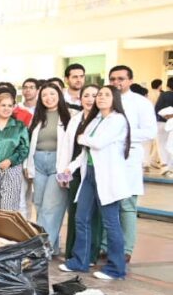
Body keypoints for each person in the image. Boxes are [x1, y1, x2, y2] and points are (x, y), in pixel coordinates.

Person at [59, 85, 132, 280]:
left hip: (107, 177)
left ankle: (116, 268)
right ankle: (79, 261)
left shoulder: (117, 120)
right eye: (100, 95)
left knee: (111, 223)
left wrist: (84, 138)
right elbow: (85, 151)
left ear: (115, 99)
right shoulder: (96, 120)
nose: (100, 98)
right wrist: (71, 167)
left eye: (106, 95)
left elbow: (97, 143)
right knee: (81, 218)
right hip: (89, 175)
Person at [108, 64, 157, 262]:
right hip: (107, 159)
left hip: (129, 158)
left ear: (130, 80)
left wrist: (121, 134)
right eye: (113, 79)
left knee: (127, 206)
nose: (116, 83)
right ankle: (105, 246)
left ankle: (127, 249)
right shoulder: (105, 99)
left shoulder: (140, 103)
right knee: (107, 203)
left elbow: (150, 132)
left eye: (121, 79)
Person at [25, 83, 74, 256]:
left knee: (51, 207)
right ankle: (50, 245)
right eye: (44, 95)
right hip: (38, 163)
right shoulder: (37, 116)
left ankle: (43, 249)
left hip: (58, 164)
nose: (48, 98)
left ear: (59, 95)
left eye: (52, 94)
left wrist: (68, 169)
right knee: (39, 204)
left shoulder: (69, 116)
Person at [64, 85, 102, 265]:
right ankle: (73, 252)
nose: (89, 99)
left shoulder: (102, 121)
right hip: (74, 172)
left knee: (93, 216)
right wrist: (64, 173)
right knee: (75, 213)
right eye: (86, 95)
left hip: (95, 172)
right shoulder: (75, 119)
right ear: (80, 99)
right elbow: (66, 149)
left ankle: (91, 254)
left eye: (94, 95)